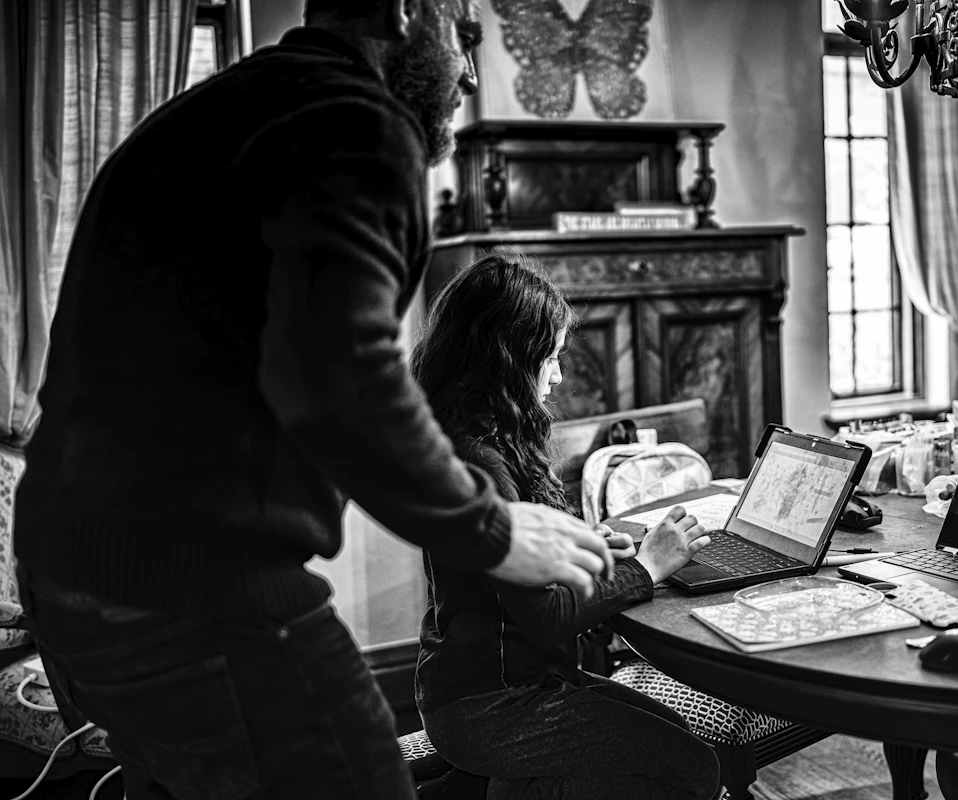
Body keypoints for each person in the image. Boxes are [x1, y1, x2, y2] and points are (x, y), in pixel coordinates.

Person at [13, 1, 613, 798]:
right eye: (463, 36)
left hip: (62, 571)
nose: (471, 73)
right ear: (406, 12)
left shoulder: (203, 115)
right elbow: (343, 377)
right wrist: (493, 529)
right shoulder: (356, 121)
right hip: (190, 587)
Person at [410, 250, 720, 800]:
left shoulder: (481, 437)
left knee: (684, 746)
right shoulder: (481, 464)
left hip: (500, 686)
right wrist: (648, 568)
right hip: (495, 706)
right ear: (505, 360)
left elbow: (512, 574)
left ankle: (493, 785)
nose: (557, 375)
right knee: (692, 769)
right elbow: (545, 617)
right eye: (549, 358)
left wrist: (581, 545)